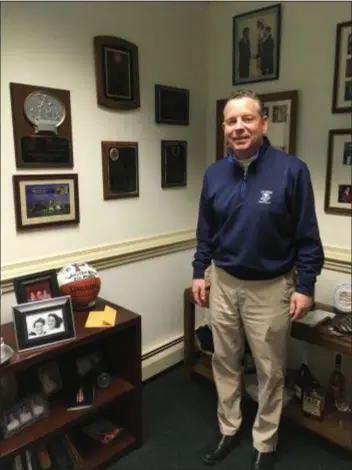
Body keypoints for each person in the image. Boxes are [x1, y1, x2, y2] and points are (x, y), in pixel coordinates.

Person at [191, 90, 324, 470]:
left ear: (264, 124)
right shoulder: (215, 174)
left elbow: (307, 236)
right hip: (224, 282)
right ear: (224, 129)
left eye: (247, 119)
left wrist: (306, 285)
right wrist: (200, 271)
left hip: (271, 288)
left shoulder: (292, 171)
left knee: (270, 369)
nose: (239, 127)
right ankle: (229, 427)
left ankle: (265, 440)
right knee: (224, 360)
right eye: (231, 121)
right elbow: (206, 230)